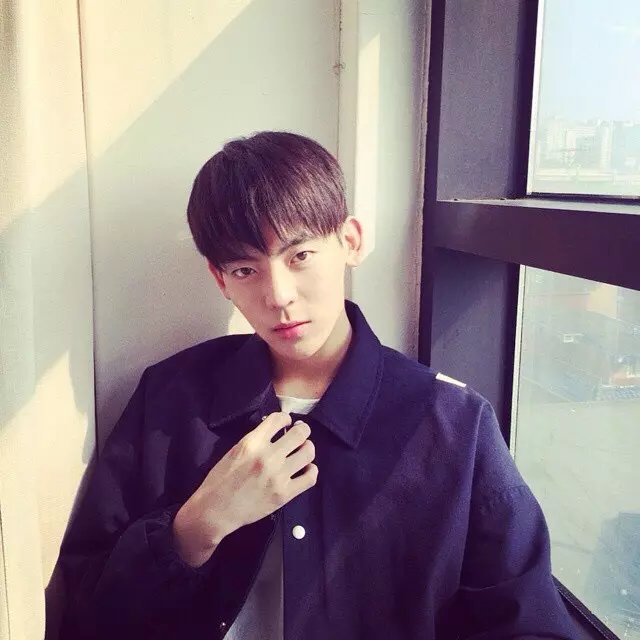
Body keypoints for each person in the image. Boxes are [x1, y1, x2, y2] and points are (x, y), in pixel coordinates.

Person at [56, 131, 578, 639]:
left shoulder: (454, 427)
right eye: (245, 270)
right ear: (220, 280)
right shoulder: (171, 399)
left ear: (350, 241)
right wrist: (196, 525)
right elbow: (84, 613)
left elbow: (529, 624)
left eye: (299, 256)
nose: (279, 295)